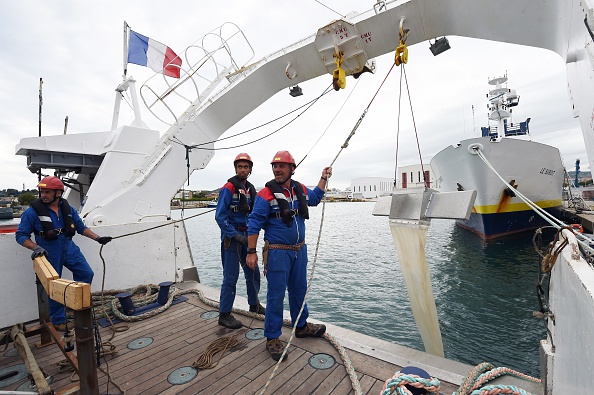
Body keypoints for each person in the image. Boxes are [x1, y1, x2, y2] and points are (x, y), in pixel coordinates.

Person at [246, 150, 332, 361]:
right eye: (275, 166)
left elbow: (314, 199)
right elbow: (254, 223)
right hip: (277, 252)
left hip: (299, 251)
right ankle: (272, 337)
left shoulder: (299, 188)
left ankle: (301, 325)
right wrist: (252, 252)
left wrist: (323, 178)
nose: (277, 170)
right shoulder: (265, 194)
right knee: (275, 296)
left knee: (299, 290)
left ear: (292, 169)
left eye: (282, 166)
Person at [15, 176, 112, 332]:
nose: (43, 195)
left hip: (69, 246)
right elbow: (21, 235)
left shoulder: (68, 209)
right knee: (55, 285)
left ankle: (78, 306)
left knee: (86, 273)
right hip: (48, 249)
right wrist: (35, 248)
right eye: (42, 192)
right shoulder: (32, 212)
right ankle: (58, 320)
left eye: (47, 192)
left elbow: (81, 227)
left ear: (58, 193)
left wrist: (98, 238)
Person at [215, 153, 265, 329]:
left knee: (253, 271)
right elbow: (220, 217)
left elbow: (256, 214)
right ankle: (224, 314)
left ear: (250, 169)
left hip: (247, 238)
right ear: (235, 168)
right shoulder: (228, 188)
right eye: (240, 167)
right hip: (232, 239)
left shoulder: (251, 190)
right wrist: (234, 235)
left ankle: (254, 304)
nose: (243, 170)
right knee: (231, 276)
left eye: (246, 167)